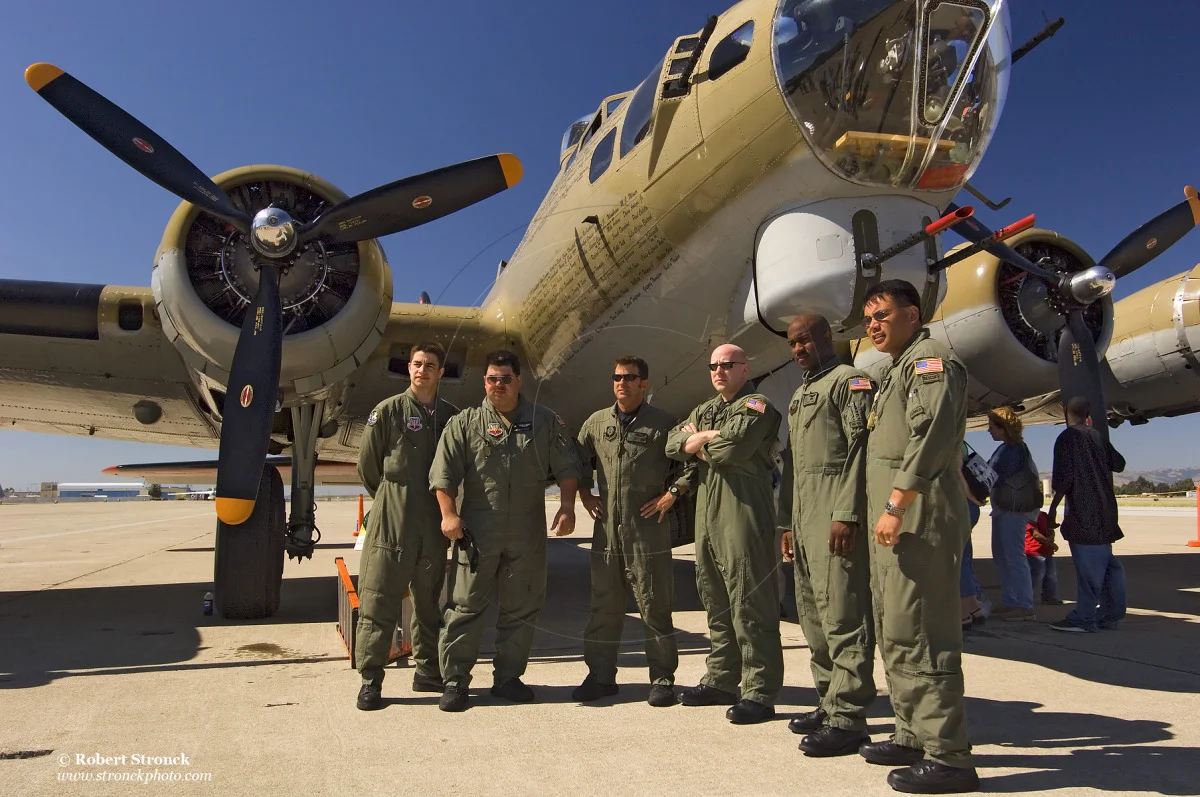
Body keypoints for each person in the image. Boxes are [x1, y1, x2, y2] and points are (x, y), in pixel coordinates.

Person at [859, 279, 978, 794]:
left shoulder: (930, 362)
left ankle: (949, 757)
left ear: (912, 313)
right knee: (897, 628)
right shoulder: (894, 371)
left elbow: (929, 437)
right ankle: (912, 733)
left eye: (882, 315)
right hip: (896, 522)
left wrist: (896, 503)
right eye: (868, 320)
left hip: (918, 516)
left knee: (926, 633)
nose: (873, 326)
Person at [429, 349, 581, 711]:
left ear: (518, 381)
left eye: (506, 379)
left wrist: (567, 505)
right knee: (465, 607)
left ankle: (509, 677)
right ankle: (455, 681)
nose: (499, 385)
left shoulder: (543, 421)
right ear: (484, 382)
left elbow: (567, 466)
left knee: (522, 607)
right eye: (492, 379)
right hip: (478, 530)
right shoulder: (465, 423)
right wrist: (448, 514)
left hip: (528, 530)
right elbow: (443, 473)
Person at [665, 343, 784, 725]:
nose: (719, 371)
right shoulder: (706, 410)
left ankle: (759, 691)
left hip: (744, 513)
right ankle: (721, 679)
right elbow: (671, 444)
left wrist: (697, 443)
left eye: (727, 365)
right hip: (709, 516)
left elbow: (732, 450)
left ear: (744, 369)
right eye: (714, 366)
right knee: (715, 601)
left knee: (750, 604)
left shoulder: (758, 407)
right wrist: (700, 439)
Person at [776, 314, 877, 757]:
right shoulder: (800, 394)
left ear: (825, 338)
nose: (799, 349)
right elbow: (793, 466)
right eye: (793, 343)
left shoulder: (849, 382)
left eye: (805, 340)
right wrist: (786, 524)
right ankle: (827, 699)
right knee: (813, 616)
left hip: (834, 512)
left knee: (842, 616)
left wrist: (846, 512)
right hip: (803, 518)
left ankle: (849, 717)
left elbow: (861, 450)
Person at [574, 356, 694, 707]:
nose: (621, 383)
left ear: (644, 383)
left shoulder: (663, 424)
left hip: (647, 532)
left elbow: (692, 462)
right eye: (617, 377)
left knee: (655, 606)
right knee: (604, 608)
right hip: (607, 532)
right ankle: (600, 676)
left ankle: (662, 679)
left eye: (629, 378)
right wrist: (583, 493)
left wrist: (673, 494)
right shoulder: (597, 423)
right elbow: (575, 459)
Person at [354, 343, 459, 711]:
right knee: (378, 600)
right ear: (408, 369)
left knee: (429, 604)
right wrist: (390, 501)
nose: (422, 370)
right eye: (417, 364)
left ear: (441, 372)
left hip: (432, 523)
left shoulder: (451, 416)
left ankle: (428, 670)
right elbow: (368, 468)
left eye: (430, 365)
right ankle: (371, 680)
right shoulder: (387, 411)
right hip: (391, 522)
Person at [1047, 397, 1127, 633]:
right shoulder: (1096, 436)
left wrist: (1052, 512)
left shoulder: (1067, 438)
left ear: (1066, 413)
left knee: (1089, 569)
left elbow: (1063, 480)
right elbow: (1119, 464)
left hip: (1084, 513)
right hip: (1106, 512)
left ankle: (1084, 617)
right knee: (1109, 566)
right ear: (1088, 415)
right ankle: (1110, 614)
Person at [985, 408, 1041, 622]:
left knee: (1014, 556)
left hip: (1013, 512)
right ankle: (1011, 601)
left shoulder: (1013, 451)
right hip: (1004, 509)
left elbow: (994, 475)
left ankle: (1024, 605)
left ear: (1003, 428)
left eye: (993, 426)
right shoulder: (1007, 449)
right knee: (1002, 556)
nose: (990, 431)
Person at [1025, 512, 1062, 606]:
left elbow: (1050, 528)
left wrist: (1051, 536)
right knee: (1036, 575)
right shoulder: (1028, 516)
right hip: (1034, 550)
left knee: (1051, 575)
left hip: (1046, 550)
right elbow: (1035, 534)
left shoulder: (1043, 515)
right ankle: (1026, 597)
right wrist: (1049, 543)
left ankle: (1049, 596)